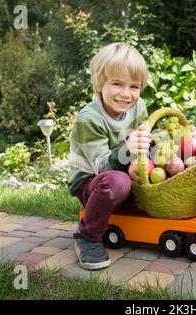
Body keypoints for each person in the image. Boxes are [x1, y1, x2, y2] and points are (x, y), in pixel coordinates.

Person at [68, 42, 151, 270]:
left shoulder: (138, 106)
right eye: (117, 84)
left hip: (124, 170)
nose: (126, 94)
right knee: (117, 180)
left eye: (134, 86)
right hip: (93, 183)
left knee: (163, 154)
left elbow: (144, 141)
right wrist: (128, 148)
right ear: (99, 84)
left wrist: (171, 139)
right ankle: (87, 236)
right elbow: (101, 167)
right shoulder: (89, 119)